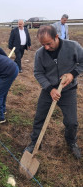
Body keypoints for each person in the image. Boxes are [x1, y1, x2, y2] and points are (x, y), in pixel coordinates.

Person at [24, 25, 83, 159]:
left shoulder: (72, 46)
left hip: (68, 91)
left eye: (49, 43)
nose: (46, 47)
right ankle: (35, 143)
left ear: (57, 37)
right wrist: (50, 89)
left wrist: (73, 74)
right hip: (48, 91)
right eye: (43, 44)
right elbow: (38, 73)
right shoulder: (40, 53)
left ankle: (71, 141)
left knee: (71, 122)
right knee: (39, 118)